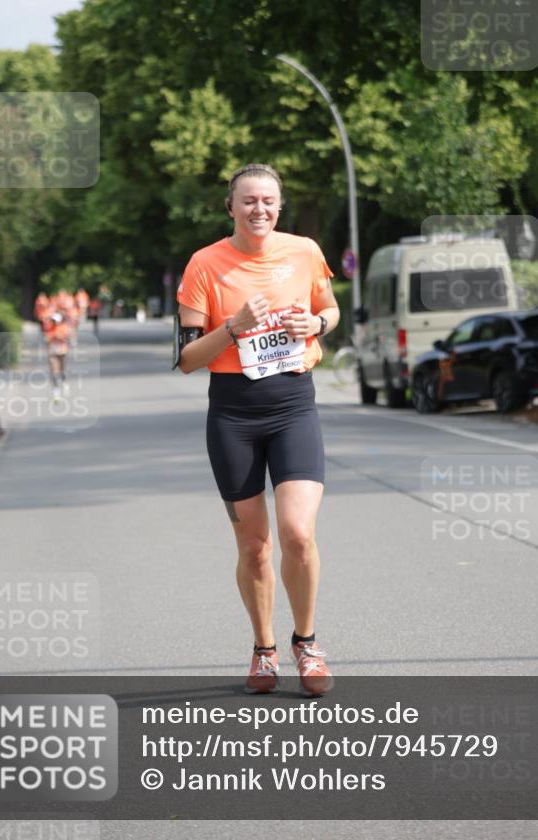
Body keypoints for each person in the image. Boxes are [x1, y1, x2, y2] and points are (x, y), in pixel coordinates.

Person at [175, 163, 340, 697]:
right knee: (256, 548)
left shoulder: (304, 251)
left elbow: (330, 308)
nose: (259, 209)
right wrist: (232, 327)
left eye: (268, 200)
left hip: (294, 406)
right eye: (248, 200)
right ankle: (264, 649)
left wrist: (316, 324)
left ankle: (307, 643)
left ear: (279, 205)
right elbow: (185, 359)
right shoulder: (205, 264)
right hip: (233, 416)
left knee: (298, 533)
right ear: (231, 208)